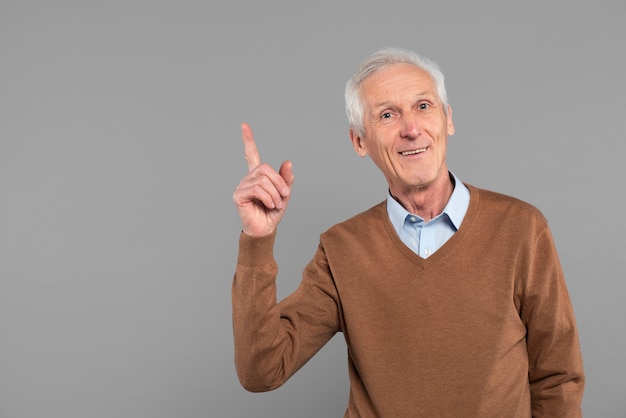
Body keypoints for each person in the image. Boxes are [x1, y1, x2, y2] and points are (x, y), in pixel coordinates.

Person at [231, 47, 585, 417]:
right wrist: (257, 241)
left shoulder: (522, 229)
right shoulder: (341, 249)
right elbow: (262, 371)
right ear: (359, 141)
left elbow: (558, 379)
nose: (411, 129)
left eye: (423, 106)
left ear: (448, 119)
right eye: (387, 115)